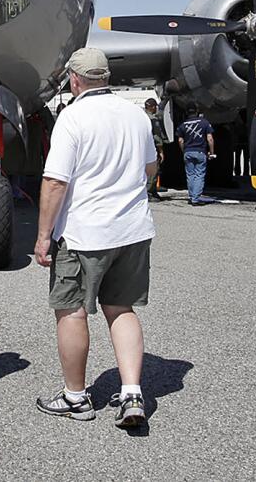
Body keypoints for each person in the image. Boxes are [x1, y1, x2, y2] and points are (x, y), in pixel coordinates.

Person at [34, 47, 157, 429]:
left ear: (74, 79)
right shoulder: (137, 114)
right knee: (121, 308)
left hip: (84, 233)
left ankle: (75, 397)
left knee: (71, 310)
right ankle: (133, 392)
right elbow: (151, 167)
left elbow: (55, 181)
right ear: (105, 77)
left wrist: (42, 237)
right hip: (133, 230)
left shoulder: (72, 117)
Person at [175, 103, 215, 205]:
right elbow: (210, 138)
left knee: (190, 175)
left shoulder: (182, 124)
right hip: (200, 151)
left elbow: (180, 140)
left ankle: (192, 195)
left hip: (188, 152)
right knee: (199, 174)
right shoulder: (204, 122)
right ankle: (196, 198)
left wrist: (184, 151)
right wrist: (212, 152)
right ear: (197, 111)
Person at [143, 99, 167, 201]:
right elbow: (156, 136)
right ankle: (150, 192)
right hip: (151, 148)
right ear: (152, 107)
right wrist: (161, 150)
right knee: (153, 170)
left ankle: (150, 191)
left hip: (142, 148)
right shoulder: (153, 119)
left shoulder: (140, 117)